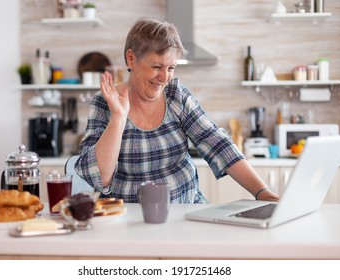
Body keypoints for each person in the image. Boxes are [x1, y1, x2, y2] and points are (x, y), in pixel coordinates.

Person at [75, 18, 279, 203]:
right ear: (131, 59)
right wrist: (118, 118)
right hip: (129, 218)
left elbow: (217, 143)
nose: (164, 78)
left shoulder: (176, 95)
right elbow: (99, 177)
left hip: (185, 208)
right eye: (156, 66)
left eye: (171, 68)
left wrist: (261, 192)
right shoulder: (105, 102)